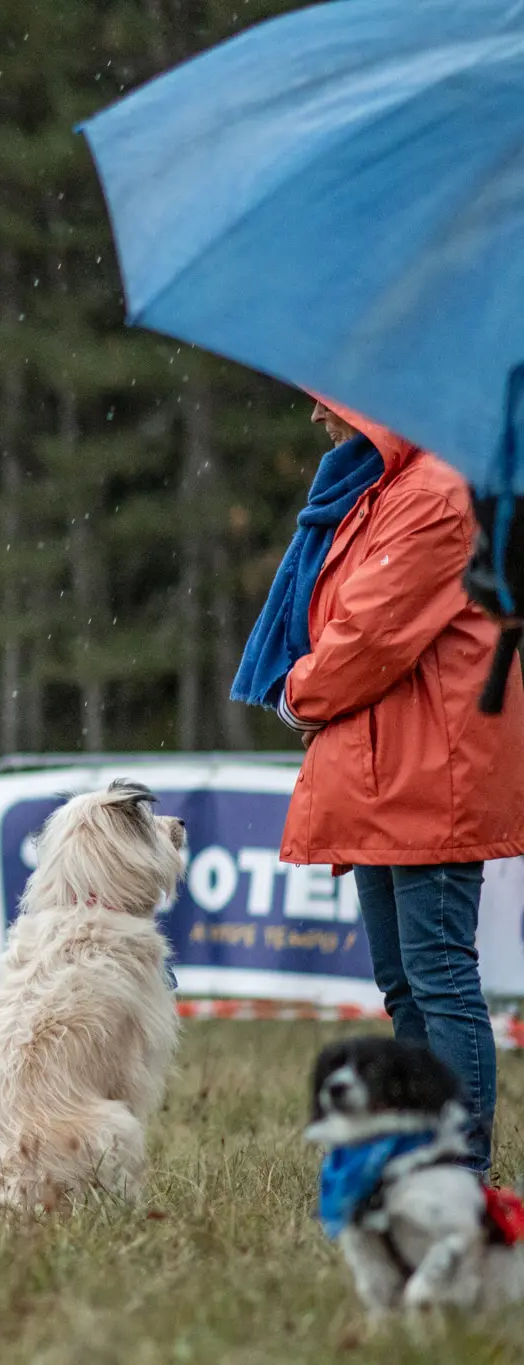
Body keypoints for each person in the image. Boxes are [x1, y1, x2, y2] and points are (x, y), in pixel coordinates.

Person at [234, 395, 524, 1174]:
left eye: (329, 402)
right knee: (406, 982)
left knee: (437, 974)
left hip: (428, 772)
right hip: (387, 770)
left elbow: (367, 633)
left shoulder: (436, 491)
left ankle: (458, 1165)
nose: (317, 420)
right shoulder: (387, 485)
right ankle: (421, 1146)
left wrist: (297, 691)